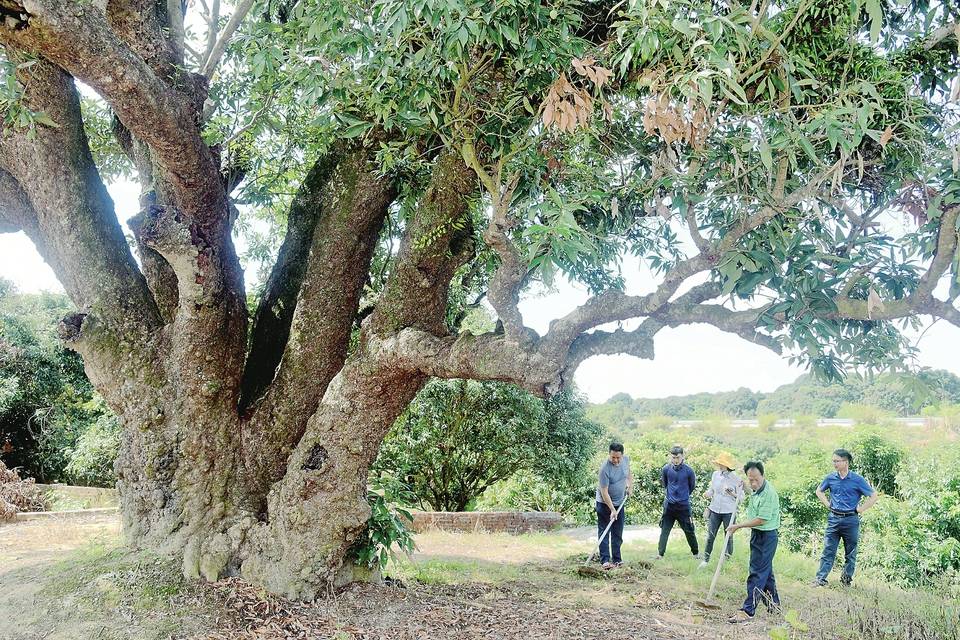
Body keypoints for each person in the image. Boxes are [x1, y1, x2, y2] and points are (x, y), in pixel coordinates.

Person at [813, 448, 879, 587]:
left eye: (837, 461)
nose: (834, 464)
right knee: (828, 550)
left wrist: (861, 509)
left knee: (851, 552)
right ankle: (820, 579)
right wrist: (827, 504)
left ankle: (846, 581)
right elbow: (819, 491)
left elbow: (873, 496)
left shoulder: (857, 479)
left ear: (846, 462)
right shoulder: (831, 478)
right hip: (834, 519)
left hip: (851, 520)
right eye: (833, 461)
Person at [727, 460, 781, 624]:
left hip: (767, 536)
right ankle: (774, 606)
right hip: (758, 535)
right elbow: (751, 489)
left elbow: (762, 520)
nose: (753, 483)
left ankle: (747, 610)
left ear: (763, 475)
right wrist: (744, 485)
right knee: (766, 573)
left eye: (756, 479)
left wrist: (738, 526)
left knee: (757, 573)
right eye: (750, 479)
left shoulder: (768, 493)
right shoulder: (756, 488)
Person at [699, 451, 744, 569]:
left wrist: (733, 493)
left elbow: (742, 497)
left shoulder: (736, 479)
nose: (719, 465)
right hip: (714, 509)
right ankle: (705, 560)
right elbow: (712, 490)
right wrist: (707, 493)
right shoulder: (715, 475)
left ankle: (727, 561)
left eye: (722, 463)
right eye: (719, 463)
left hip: (729, 511)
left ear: (727, 465)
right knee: (710, 536)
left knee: (728, 537)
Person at [655, 445, 699, 559]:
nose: (675, 460)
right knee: (664, 530)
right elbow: (665, 484)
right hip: (669, 506)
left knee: (689, 530)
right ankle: (660, 554)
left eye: (677, 457)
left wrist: (682, 496)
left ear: (682, 456)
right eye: (673, 457)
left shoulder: (689, 471)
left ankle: (696, 553)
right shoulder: (666, 469)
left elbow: (691, 486)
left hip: (683, 506)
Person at [596, 442, 632, 569]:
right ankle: (605, 560)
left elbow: (628, 474)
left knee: (618, 532)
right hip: (604, 503)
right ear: (609, 454)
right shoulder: (604, 469)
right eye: (613, 457)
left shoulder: (626, 460)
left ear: (622, 455)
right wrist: (612, 509)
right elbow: (604, 492)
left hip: (619, 502)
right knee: (604, 531)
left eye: (618, 457)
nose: (616, 460)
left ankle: (617, 559)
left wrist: (629, 486)